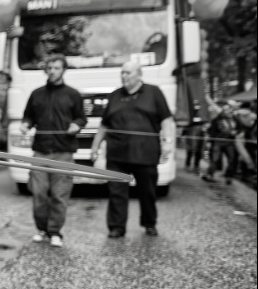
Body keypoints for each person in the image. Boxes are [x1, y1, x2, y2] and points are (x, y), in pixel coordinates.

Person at [91, 60, 174, 237]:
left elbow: (166, 120)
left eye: (128, 73)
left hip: (146, 153)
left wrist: (167, 143)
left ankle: (149, 223)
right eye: (122, 72)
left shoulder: (154, 92)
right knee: (116, 192)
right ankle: (116, 227)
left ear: (139, 74)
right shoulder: (114, 95)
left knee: (148, 192)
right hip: (117, 154)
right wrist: (95, 145)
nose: (123, 76)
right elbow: (104, 125)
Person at [18, 55, 84, 246]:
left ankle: (55, 232)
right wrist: (25, 125)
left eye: (57, 67)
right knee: (39, 193)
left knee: (59, 194)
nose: (53, 71)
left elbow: (81, 118)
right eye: (50, 68)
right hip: (41, 151)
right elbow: (28, 117)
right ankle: (42, 229)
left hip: (64, 151)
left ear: (64, 70)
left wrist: (76, 125)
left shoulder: (73, 94)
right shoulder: (36, 93)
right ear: (45, 70)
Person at [202, 100, 239, 184]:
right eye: (225, 109)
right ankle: (209, 175)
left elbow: (240, 128)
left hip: (229, 142)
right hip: (218, 142)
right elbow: (211, 130)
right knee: (215, 159)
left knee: (231, 159)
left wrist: (236, 132)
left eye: (229, 109)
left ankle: (229, 177)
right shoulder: (217, 119)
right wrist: (210, 140)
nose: (228, 111)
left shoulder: (235, 118)